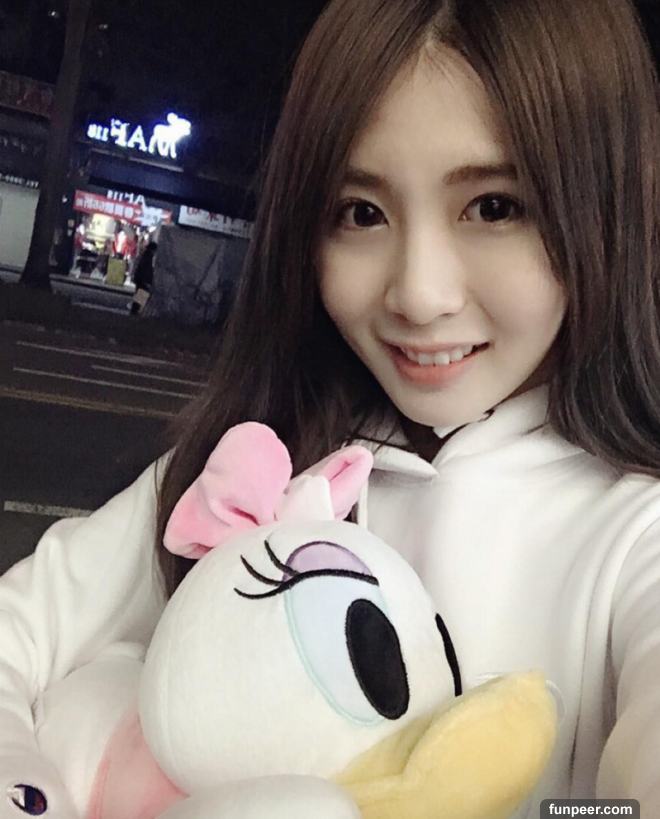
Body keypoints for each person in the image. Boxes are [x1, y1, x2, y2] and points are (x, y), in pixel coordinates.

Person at [2, 0, 660, 816]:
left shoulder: (636, 534)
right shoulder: (259, 467)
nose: (419, 293)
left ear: (607, 212)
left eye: (494, 206)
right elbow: (19, 627)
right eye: (362, 213)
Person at [130, 240, 158, 315]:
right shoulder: (148, 258)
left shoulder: (144, 256)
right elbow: (146, 270)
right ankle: (135, 311)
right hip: (143, 280)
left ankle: (134, 311)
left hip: (140, 279)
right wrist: (148, 281)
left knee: (139, 297)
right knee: (140, 297)